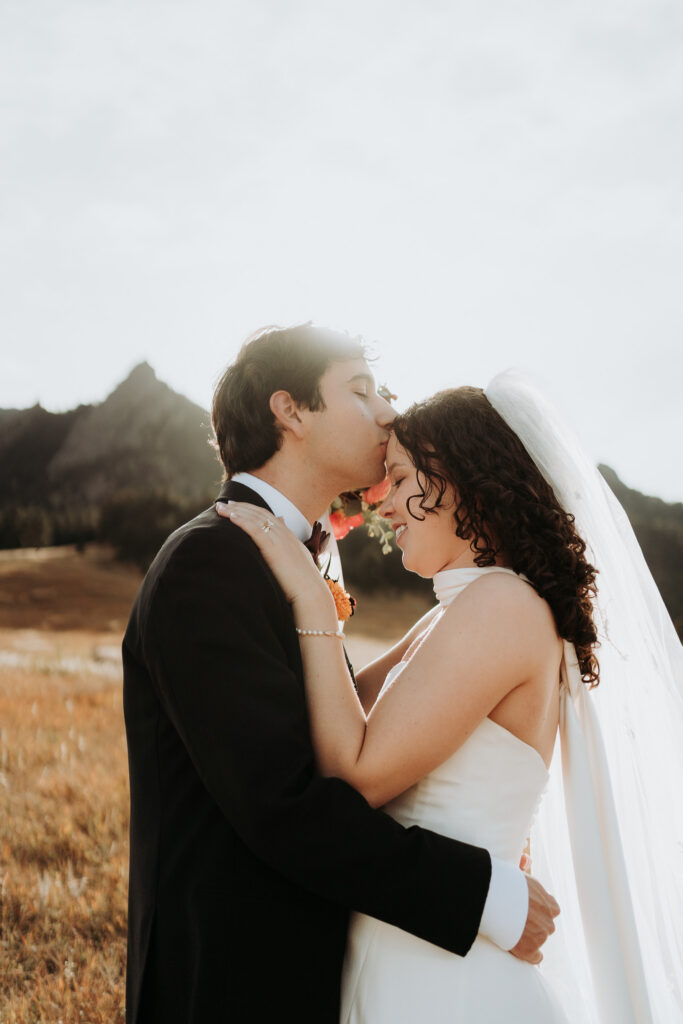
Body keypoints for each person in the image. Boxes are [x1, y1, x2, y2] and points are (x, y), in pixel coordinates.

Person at [122, 326, 558, 1024]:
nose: (387, 413)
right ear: (289, 412)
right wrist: (482, 892)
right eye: (360, 392)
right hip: (230, 983)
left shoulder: (297, 558)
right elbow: (285, 804)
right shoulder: (210, 562)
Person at [220, 375, 683, 1022]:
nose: (383, 504)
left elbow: (355, 772)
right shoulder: (458, 611)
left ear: (463, 482)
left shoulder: (501, 605)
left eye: (404, 478)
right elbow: (338, 705)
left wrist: (308, 598)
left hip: (445, 978)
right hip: (413, 946)